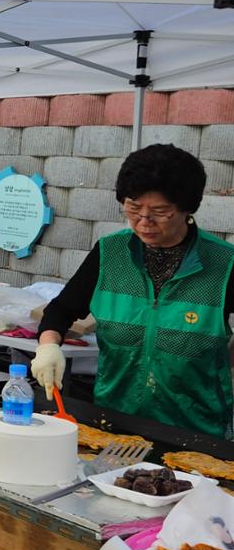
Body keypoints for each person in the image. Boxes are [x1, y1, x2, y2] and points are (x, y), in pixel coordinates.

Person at [32, 144, 234, 438]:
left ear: (187, 208)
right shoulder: (109, 253)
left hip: (197, 431)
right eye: (133, 208)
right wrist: (48, 345)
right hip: (114, 422)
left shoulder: (224, 263)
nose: (143, 221)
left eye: (160, 211)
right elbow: (61, 310)